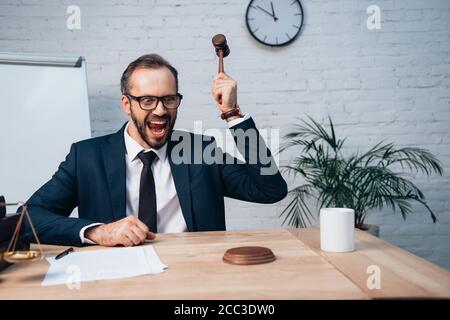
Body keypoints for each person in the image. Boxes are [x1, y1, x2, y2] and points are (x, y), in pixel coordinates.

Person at [23, 54, 287, 247]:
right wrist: (98, 232)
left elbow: (270, 189)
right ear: (126, 103)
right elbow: (29, 218)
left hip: (196, 278)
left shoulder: (199, 150)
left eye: (169, 99)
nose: (160, 110)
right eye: (147, 100)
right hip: (116, 282)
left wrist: (232, 114)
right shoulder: (86, 158)